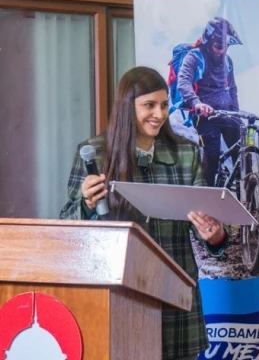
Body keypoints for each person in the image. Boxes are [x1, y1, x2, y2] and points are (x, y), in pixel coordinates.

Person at [60, 66, 228, 360]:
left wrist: (214, 235)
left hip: (174, 293)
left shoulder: (186, 155)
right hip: (116, 292)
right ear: (127, 108)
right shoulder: (93, 153)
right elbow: (66, 226)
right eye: (149, 105)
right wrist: (86, 205)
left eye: (164, 105)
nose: (159, 114)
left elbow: (207, 229)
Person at [177, 16, 243, 187]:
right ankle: (208, 196)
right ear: (208, 41)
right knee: (212, 153)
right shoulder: (194, 57)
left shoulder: (228, 61)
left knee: (242, 150)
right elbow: (183, 82)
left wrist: (236, 112)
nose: (223, 51)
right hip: (205, 116)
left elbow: (232, 88)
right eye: (219, 46)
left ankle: (250, 193)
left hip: (226, 113)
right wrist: (196, 103)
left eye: (226, 46)